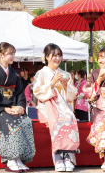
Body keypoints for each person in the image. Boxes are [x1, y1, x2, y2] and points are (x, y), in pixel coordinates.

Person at [0, 42, 35, 172]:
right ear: (1, 55)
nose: (13, 56)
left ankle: (20, 159)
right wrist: (5, 108)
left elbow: (19, 93)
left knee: (26, 121)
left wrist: (20, 108)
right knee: (10, 121)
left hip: (12, 108)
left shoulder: (14, 73)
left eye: (14, 54)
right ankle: (10, 159)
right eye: (10, 54)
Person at [33, 43, 79, 172]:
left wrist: (65, 86)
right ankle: (59, 158)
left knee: (69, 119)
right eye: (54, 55)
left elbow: (71, 95)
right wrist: (52, 84)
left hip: (63, 107)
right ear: (47, 57)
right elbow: (38, 92)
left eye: (59, 55)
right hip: (46, 107)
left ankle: (69, 158)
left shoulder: (65, 74)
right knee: (58, 121)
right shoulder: (41, 73)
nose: (57, 58)